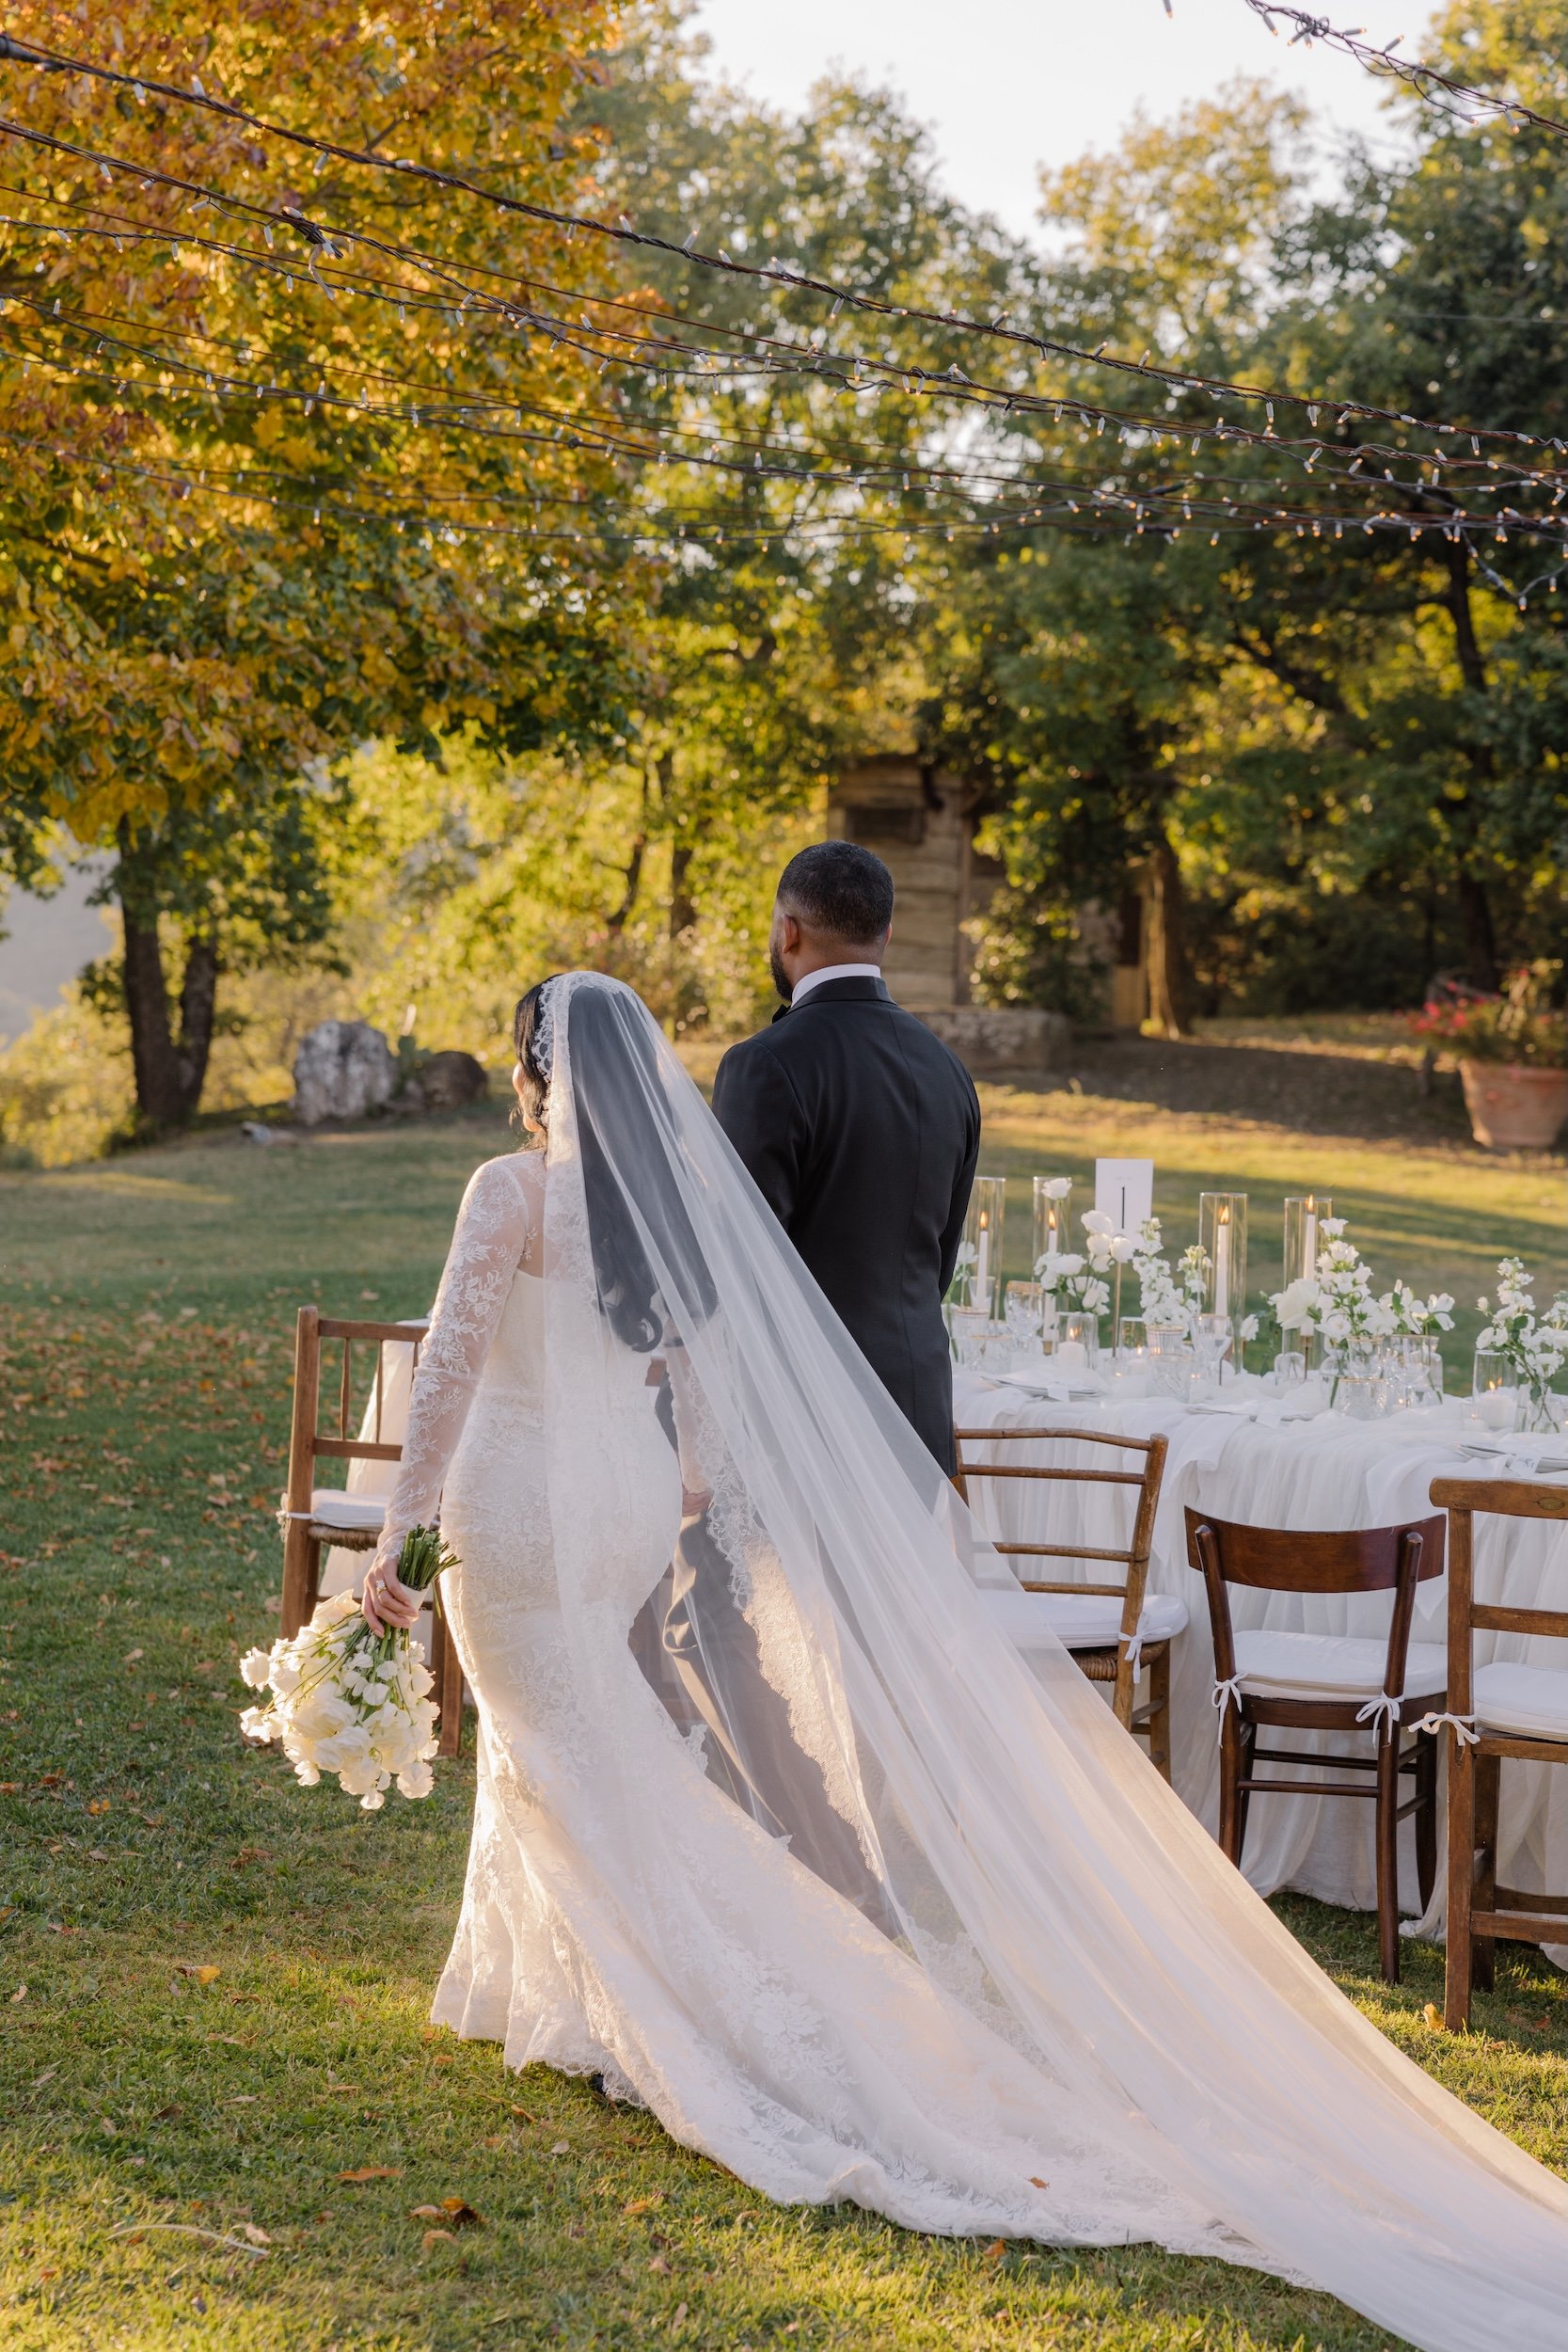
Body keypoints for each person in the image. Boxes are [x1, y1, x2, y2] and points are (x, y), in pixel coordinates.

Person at [361, 972, 1563, 2352]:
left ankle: (698, 2005)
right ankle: (522, 1979)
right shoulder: (664, 1207)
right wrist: (672, 1497)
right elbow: (690, 1410)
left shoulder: (506, 1194)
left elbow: (446, 1374)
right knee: (594, 1738)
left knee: (564, 1742)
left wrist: (394, 1538)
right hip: (622, 1503)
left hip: (515, 1505)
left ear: (534, 1067)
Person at [712, 841, 980, 1472]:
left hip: (797, 1417)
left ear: (788, 931)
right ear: (885, 933)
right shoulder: (947, 1069)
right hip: (915, 1407)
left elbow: (737, 1254)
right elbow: (937, 1258)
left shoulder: (764, 1063)